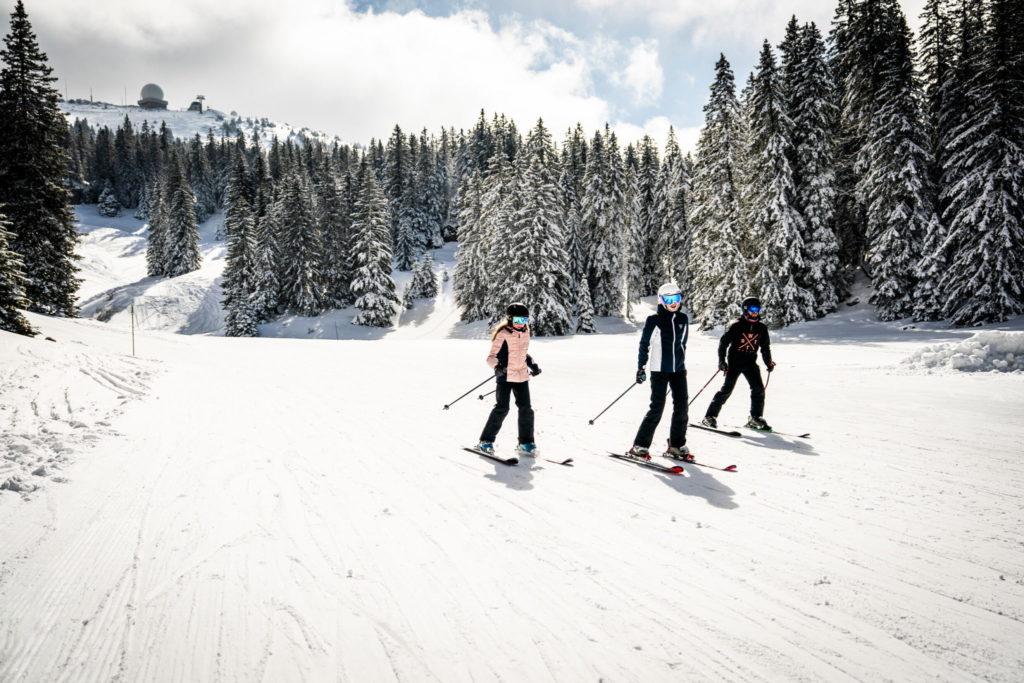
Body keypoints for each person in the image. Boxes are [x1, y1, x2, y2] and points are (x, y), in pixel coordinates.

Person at [628, 283, 692, 462]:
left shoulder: (683, 319)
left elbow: (683, 343)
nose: (673, 303)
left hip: (679, 370)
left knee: (682, 408)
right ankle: (639, 446)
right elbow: (644, 344)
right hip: (659, 370)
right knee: (657, 407)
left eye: (677, 299)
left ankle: (676, 445)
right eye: (669, 299)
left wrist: (679, 362)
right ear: (661, 300)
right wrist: (641, 367)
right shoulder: (654, 320)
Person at [701, 296, 776, 431]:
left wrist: (768, 363)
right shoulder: (736, 325)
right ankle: (709, 417)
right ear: (745, 310)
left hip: (750, 363)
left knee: (758, 389)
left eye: (757, 309)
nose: (755, 312)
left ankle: (755, 418)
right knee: (726, 390)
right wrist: (722, 361)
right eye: (753, 309)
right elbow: (723, 344)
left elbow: (765, 347)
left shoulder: (761, 328)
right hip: (734, 363)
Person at [476, 302, 542, 456]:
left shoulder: (525, 333)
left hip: (522, 376)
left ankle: (526, 442)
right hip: (505, 376)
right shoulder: (503, 334)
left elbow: (523, 353)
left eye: (524, 320)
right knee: (502, 408)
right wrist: (497, 367)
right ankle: (485, 441)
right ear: (511, 319)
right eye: (518, 321)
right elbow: (490, 357)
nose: (521, 324)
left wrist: (533, 365)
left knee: (526, 409)